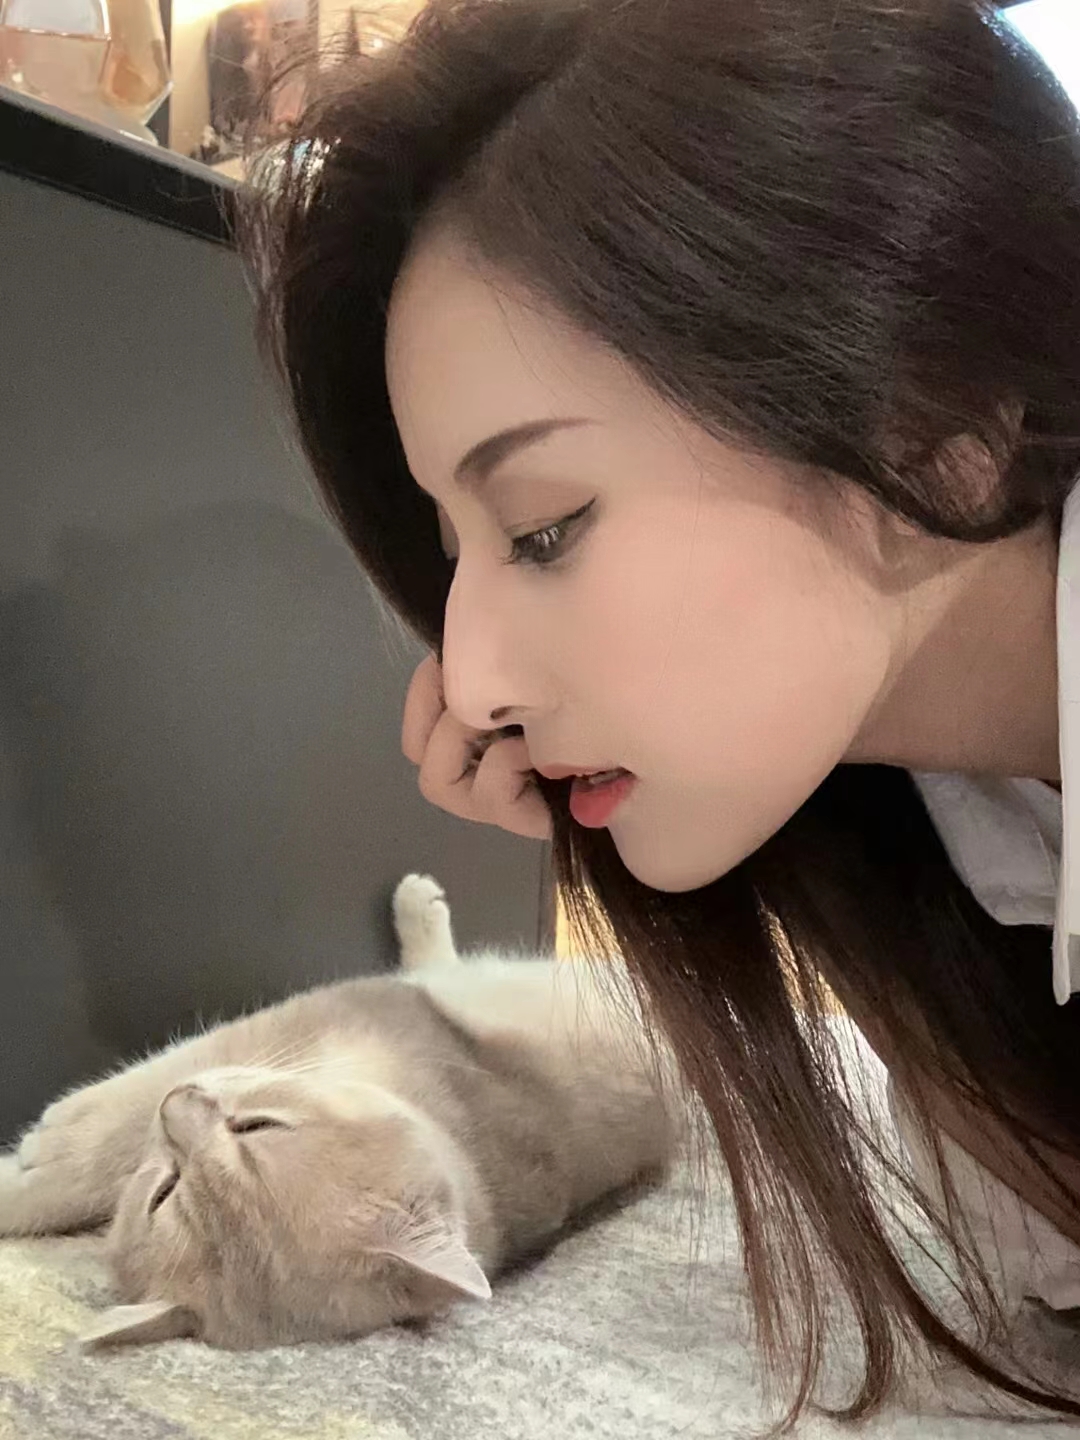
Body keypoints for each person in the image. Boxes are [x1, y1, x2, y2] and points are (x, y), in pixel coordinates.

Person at [239, 0, 1080, 1423]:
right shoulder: (937, 818)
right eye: (455, 555)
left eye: (545, 527)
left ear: (937, 420)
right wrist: (740, 856)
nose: (472, 681)